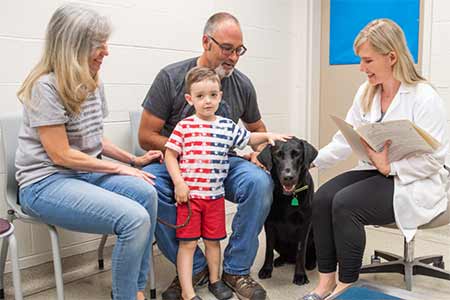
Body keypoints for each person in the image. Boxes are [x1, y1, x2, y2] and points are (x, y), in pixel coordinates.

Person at [15, 4, 162, 300]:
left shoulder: (93, 81)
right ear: (72, 46)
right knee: (133, 218)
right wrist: (121, 169)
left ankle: (135, 288)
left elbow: (94, 140)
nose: (106, 51)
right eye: (98, 44)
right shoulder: (46, 87)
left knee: (147, 194)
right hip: (44, 183)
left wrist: (133, 160)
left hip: (83, 173)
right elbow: (61, 155)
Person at [302, 19, 449, 300]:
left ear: (391, 57)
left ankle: (347, 285)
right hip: (376, 170)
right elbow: (346, 139)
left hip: (415, 178)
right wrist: (311, 161)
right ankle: (324, 283)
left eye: (367, 60)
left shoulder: (425, 98)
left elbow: (435, 160)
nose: (361, 67)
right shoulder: (367, 92)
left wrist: (390, 166)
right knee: (322, 198)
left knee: (346, 204)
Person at [139, 12, 272, 300]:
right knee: (147, 184)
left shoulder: (242, 84)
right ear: (205, 42)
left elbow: (256, 129)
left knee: (259, 181)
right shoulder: (171, 78)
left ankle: (235, 269)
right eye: (227, 49)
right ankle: (195, 267)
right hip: (179, 161)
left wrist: (261, 154)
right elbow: (146, 135)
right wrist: (192, 150)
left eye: (239, 50)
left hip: (225, 161)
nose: (234, 57)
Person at [165, 67, 290, 300]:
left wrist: (268, 135)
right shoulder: (184, 127)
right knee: (188, 244)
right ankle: (188, 291)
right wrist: (178, 183)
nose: (207, 101)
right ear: (189, 99)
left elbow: (248, 138)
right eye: (200, 96)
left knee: (214, 242)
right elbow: (170, 155)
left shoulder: (226, 126)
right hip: (190, 199)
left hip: (214, 198)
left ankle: (215, 280)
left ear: (220, 96)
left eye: (213, 94)